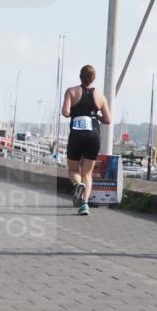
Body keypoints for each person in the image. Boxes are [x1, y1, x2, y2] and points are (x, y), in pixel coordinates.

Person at [61, 65, 112, 215]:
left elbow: (65, 112)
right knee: (88, 173)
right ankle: (84, 205)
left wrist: (76, 112)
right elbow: (108, 120)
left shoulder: (71, 91)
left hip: (77, 135)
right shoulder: (101, 96)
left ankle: (77, 185)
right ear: (93, 78)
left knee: (73, 170)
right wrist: (95, 116)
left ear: (80, 76)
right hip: (93, 135)